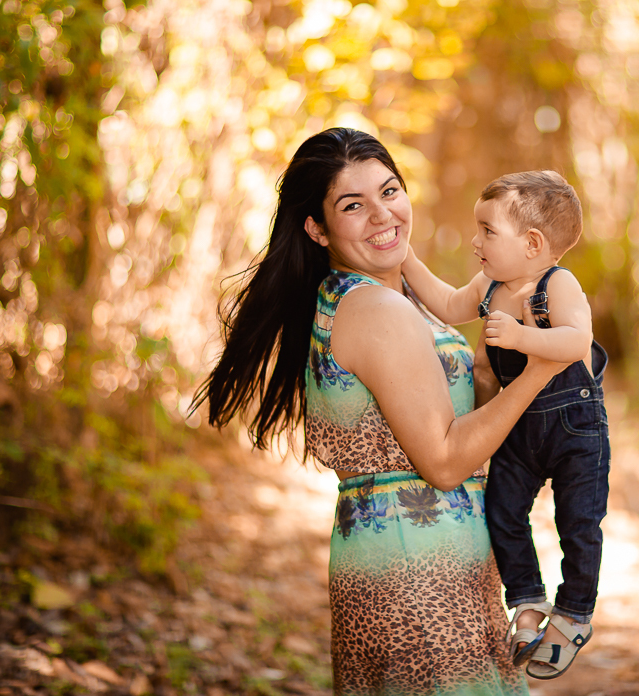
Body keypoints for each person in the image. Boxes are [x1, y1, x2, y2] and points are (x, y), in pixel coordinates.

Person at [195, 127, 564, 696]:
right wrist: (543, 369)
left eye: (389, 192)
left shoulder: (368, 296)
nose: (380, 214)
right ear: (316, 228)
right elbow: (442, 461)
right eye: (352, 205)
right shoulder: (375, 307)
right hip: (417, 571)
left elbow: (441, 413)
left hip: (417, 560)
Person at [400, 170, 610, 681]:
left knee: (578, 523)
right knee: (503, 510)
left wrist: (519, 337)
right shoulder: (489, 287)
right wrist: (403, 254)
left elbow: (575, 343)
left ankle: (576, 611)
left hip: (574, 427)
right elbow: (448, 303)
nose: (476, 241)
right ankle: (528, 601)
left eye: (488, 231)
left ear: (533, 243)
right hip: (519, 429)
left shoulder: (556, 285)